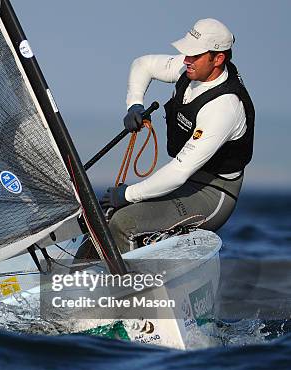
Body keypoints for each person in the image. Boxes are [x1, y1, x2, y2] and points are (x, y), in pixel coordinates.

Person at [100, 18, 255, 253]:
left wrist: (127, 194)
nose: (186, 60)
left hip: (213, 192)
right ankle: (74, 279)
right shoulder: (188, 69)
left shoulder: (224, 107)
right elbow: (143, 64)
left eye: (194, 55)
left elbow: (179, 172)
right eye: (186, 54)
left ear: (218, 58)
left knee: (124, 223)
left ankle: (127, 287)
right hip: (185, 180)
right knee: (103, 216)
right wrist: (134, 105)